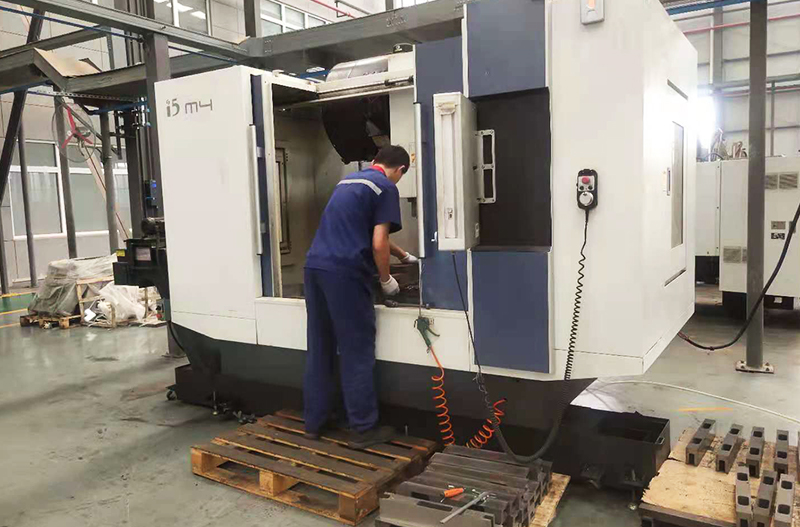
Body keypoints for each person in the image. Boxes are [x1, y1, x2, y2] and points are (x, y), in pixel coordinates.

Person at [303, 145, 418, 449]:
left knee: (320, 346)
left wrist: (403, 255)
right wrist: (387, 280)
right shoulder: (386, 187)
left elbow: (364, 231)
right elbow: (378, 241)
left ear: (375, 161)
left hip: (315, 268)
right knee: (357, 350)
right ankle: (363, 428)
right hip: (345, 273)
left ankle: (315, 422)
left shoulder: (349, 181)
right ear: (400, 170)